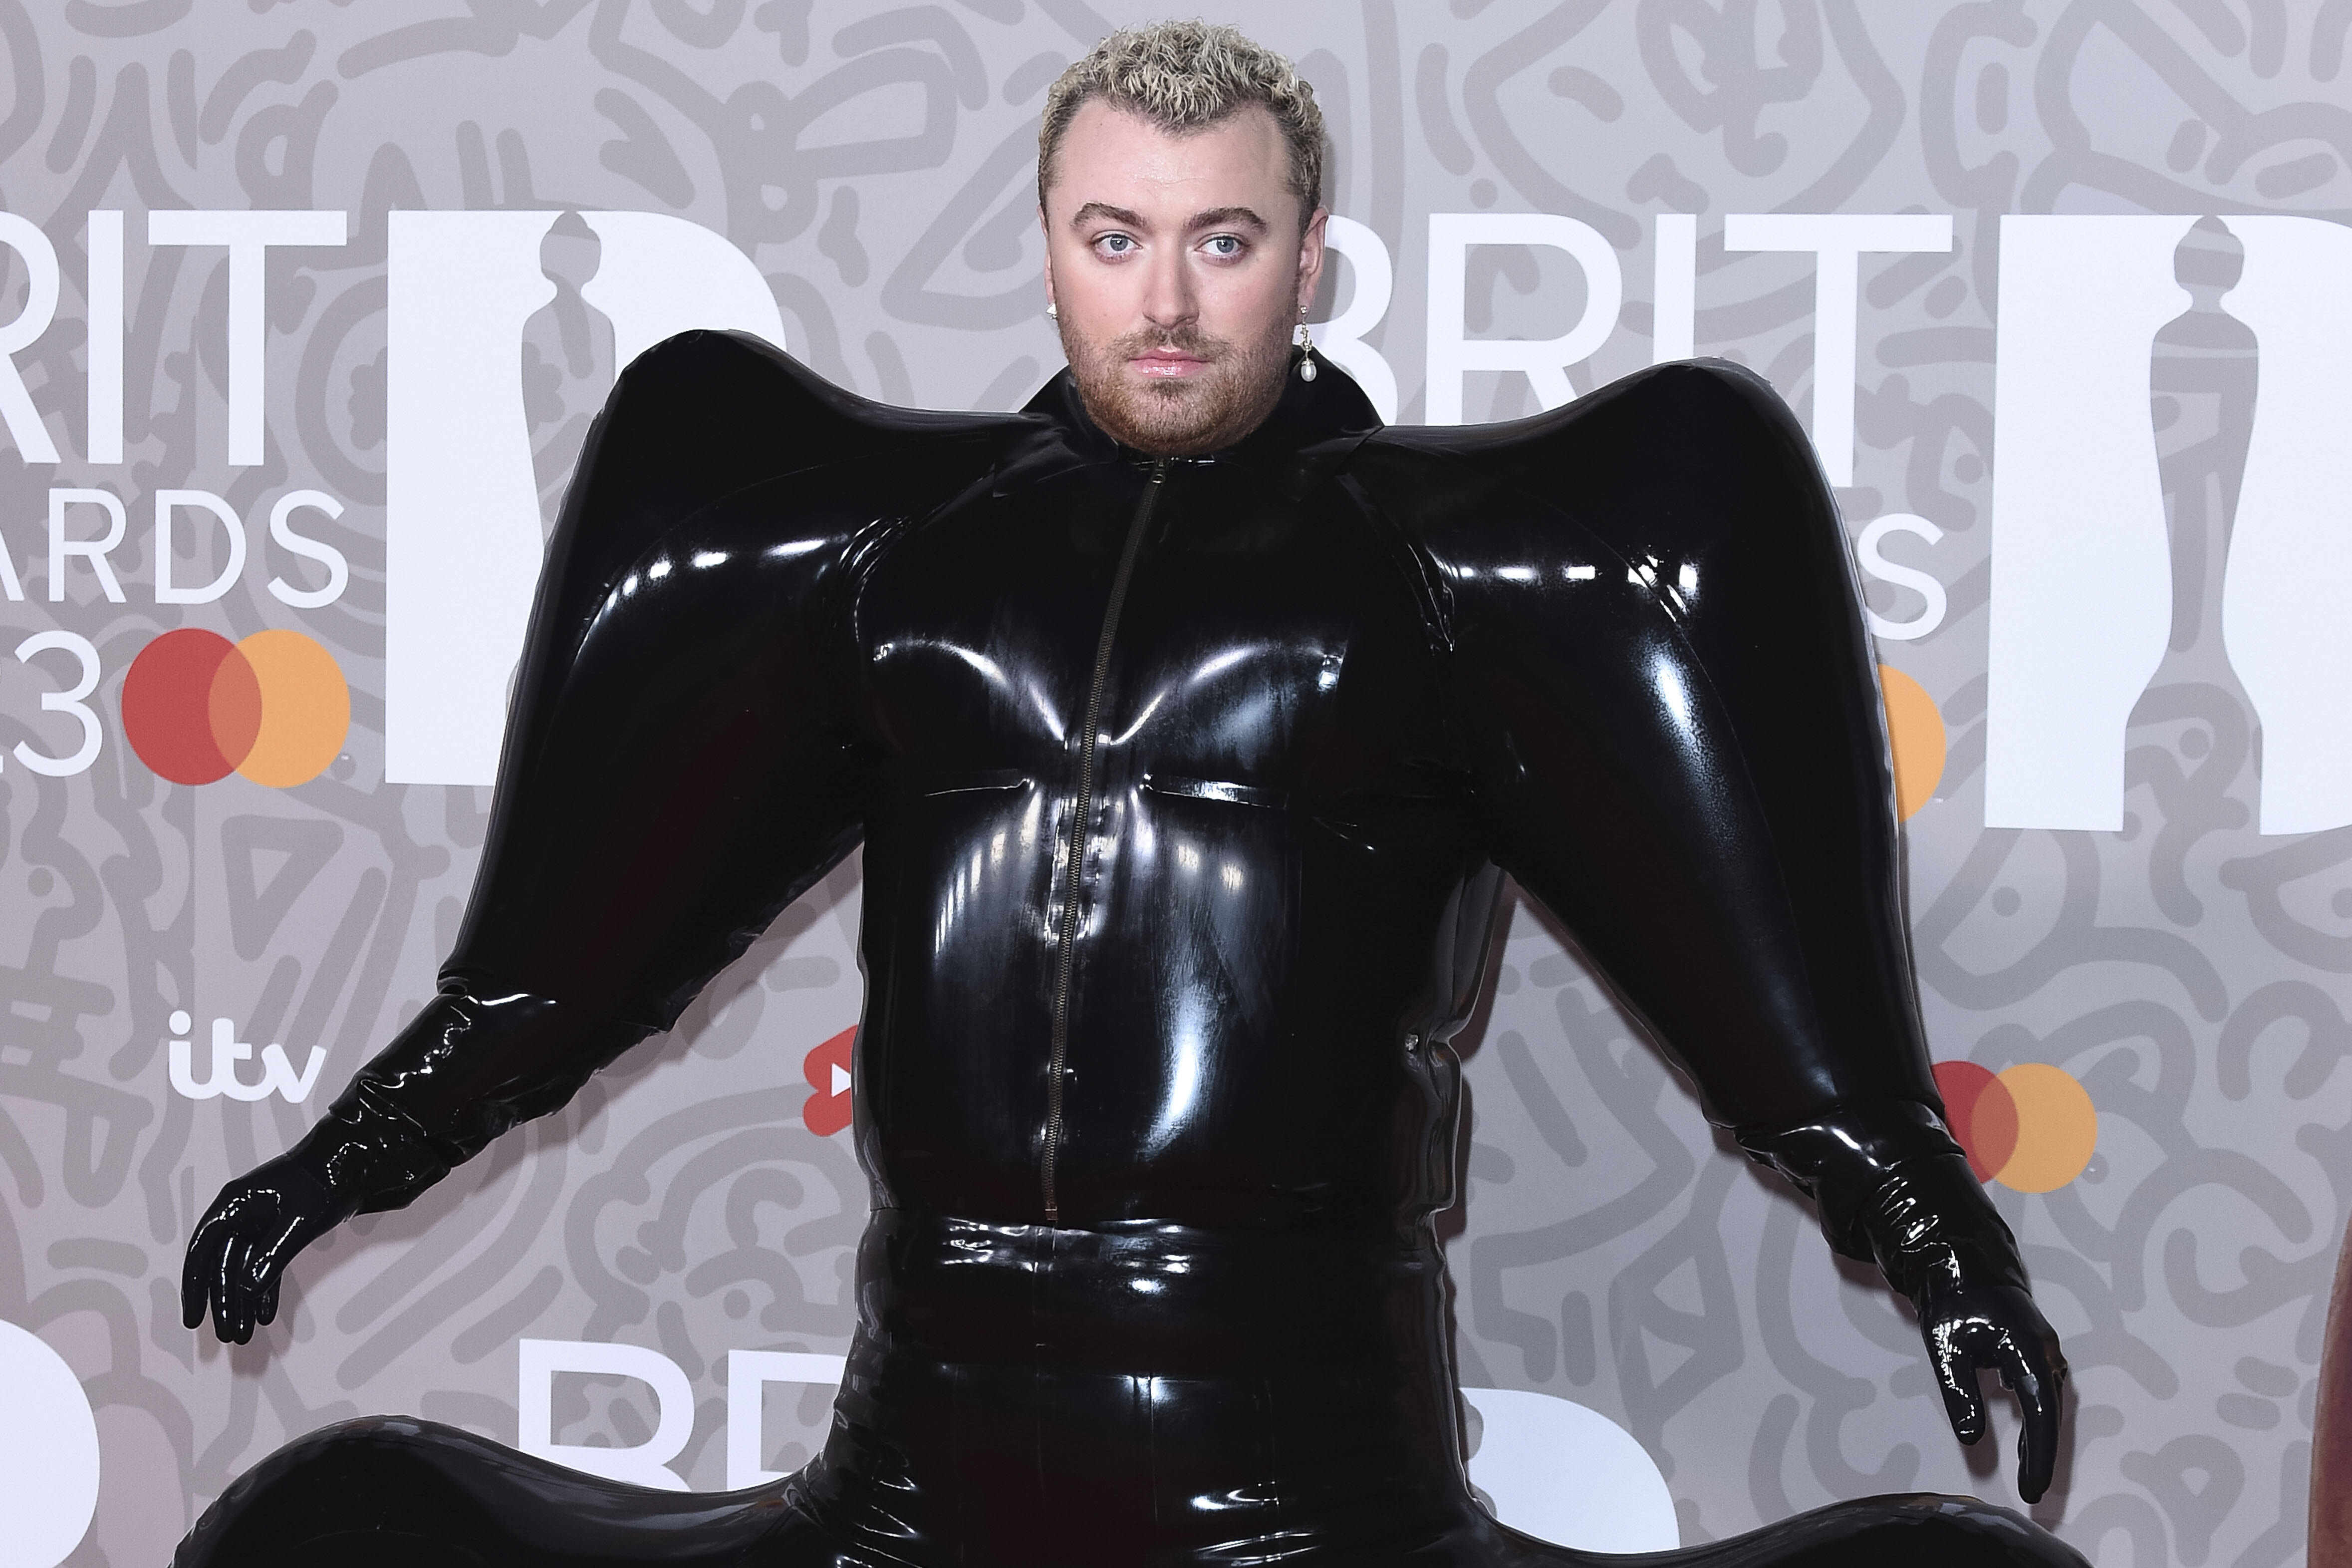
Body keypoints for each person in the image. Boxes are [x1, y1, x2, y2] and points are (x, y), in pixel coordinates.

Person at [177, 23, 2084, 1568]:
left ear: (1308, 258)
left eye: (1221, 243)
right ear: (1047, 248)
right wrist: (331, 1167)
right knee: (327, 1531)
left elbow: (1779, 1019)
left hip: (1307, 1519)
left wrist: (1943, 1244)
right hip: (901, 1513)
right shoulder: (882, 557)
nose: (1164, 301)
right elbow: (564, 963)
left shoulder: (1460, 574)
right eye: (1113, 238)